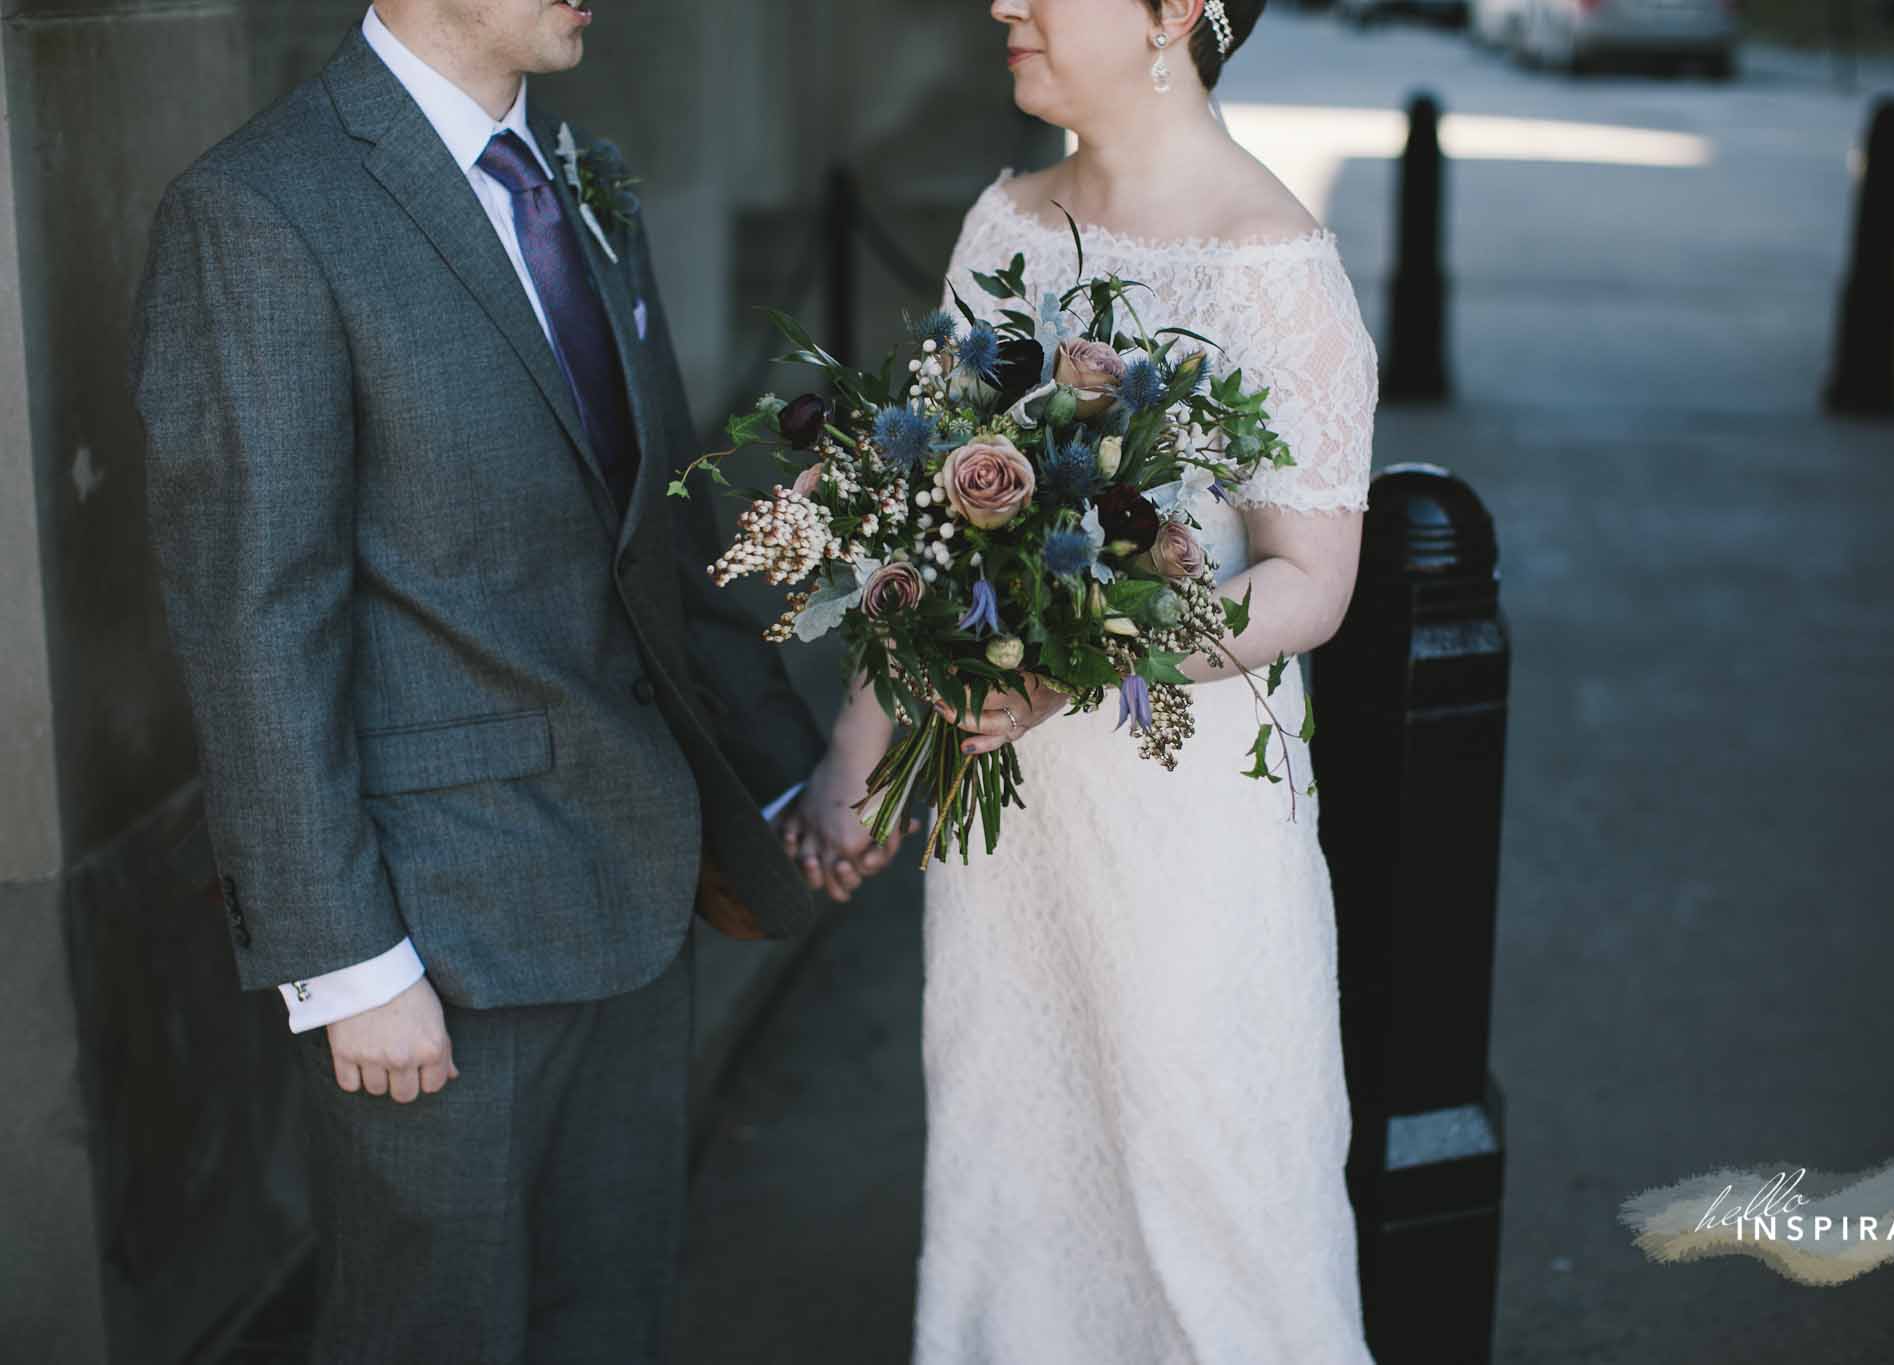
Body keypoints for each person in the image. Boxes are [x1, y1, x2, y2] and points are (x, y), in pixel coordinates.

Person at [128, 2, 906, 1359]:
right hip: (439, 944)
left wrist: (791, 776)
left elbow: (655, 545)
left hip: (639, 896)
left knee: (606, 1323)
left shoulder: (579, 176)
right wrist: (344, 958)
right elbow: (258, 617)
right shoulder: (259, 212)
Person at [782, 0, 1382, 1359]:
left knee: (1217, 1204)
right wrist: (856, 763)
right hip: (1013, 844)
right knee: (1018, 1171)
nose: (1008, 1)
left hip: (1183, 841)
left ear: (1178, 12)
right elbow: (915, 531)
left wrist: (1083, 660)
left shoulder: (1269, 258)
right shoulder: (1005, 220)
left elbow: (1309, 583)